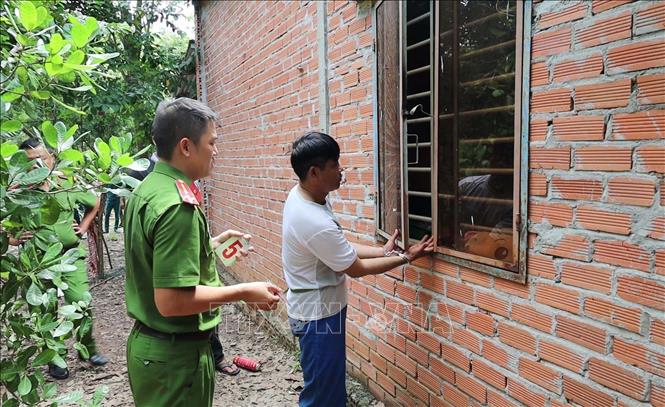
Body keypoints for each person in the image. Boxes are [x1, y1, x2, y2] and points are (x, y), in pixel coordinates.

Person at [123, 97, 281, 406]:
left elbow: (152, 256)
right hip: (176, 360)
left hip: (154, 351)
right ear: (186, 146)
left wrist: (209, 245)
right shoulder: (176, 206)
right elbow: (171, 301)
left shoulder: (148, 188)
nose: (216, 151)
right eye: (212, 142)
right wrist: (244, 291)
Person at [282, 132, 434, 407]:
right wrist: (406, 258)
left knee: (328, 387)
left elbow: (337, 247)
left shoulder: (306, 195)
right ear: (314, 172)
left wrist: (382, 251)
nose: (341, 170)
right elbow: (356, 268)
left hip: (319, 310)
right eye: (334, 165)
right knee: (323, 396)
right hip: (318, 316)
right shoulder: (312, 219)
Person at [18, 139, 108, 380]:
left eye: (41, 158)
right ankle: (54, 359)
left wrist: (84, 226)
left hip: (70, 255)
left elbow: (94, 202)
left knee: (81, 301)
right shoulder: (19, 192)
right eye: (29, 161)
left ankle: (87, 351)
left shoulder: (65, 183)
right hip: (37, 261)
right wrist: (14, 239)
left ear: (52, 158)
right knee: (44, 309)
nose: (37, 164)